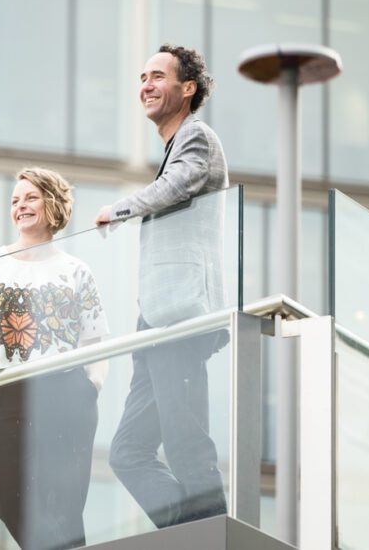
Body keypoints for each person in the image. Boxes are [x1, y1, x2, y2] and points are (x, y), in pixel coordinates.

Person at [95, 43, 229, 527]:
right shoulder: (175, 145)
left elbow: (178, 185)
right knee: (128, 451)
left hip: (182, 315)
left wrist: (120, 208)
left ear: (187, 88)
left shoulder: (196, 138)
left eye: (157, 76)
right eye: (142, 77)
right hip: (155, 315)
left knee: (186, 440)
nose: (145, 85)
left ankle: (213, 537)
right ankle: (187, 532)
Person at [0, 167, 109, 550]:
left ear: (52, 204)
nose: (20, 206)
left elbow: (97, 341)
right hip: (7, 391)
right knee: (10, 500)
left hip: (66, 392)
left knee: (63, 508)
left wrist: (92, 386)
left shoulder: (76, 271)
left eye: (30, 197)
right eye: (14, 200)